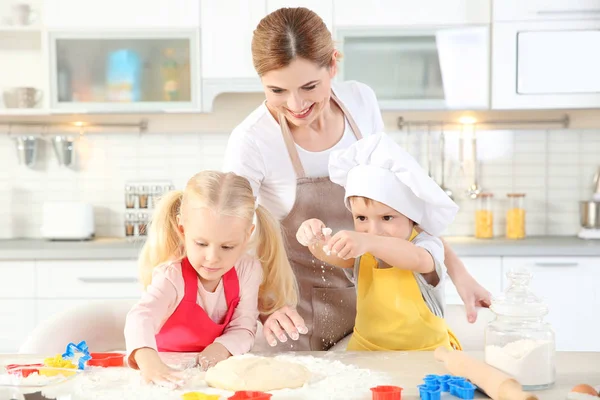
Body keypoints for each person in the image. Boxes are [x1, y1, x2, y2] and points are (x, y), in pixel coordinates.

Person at [223, 6, 491, 351]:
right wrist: (264, 310)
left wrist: (459, 273)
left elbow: (400, 203)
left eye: (309, 86)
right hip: (295, 314)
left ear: (333, 64)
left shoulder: (360, 102)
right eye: (277, 91)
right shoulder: (251, 141)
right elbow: (232, 240)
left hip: (373, 304)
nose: (295, 104)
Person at [123, 171, 297, 385]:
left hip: (217, 373)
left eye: (227, 246)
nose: (213, 258)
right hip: (168, 376)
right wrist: (150, 362)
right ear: (182, 230)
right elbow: (141, 317)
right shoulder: (172, 276)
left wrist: (221, 348)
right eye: (201, 244)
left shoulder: (247, 272)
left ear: (247, 236)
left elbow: (243, 327)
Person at [297, 132, 462, 351]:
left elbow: (416, 259)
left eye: (387, 218)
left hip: (426, 353)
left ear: (411, 217)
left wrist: (367, 242)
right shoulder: (363, 248)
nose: (373, 230)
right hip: (367, 349)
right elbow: (331, 253)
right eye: (362, 218)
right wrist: (314, 238)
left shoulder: (427, 246)